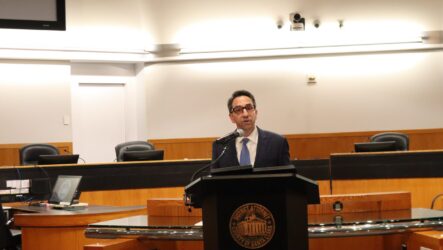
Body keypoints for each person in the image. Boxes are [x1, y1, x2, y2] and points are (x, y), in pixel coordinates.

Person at [212, 90, 290, 168]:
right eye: (238, 109)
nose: (245, 114)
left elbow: (287, 176)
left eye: (249, 108)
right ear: (231, 118)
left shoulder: (277, 142)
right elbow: (214, 178)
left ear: (255, 113)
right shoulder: (220, 145)